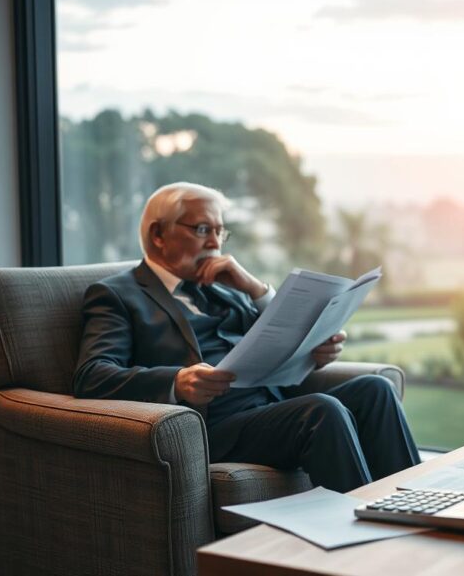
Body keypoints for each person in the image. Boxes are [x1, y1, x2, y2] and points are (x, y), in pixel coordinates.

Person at [73, 182, 420, 492]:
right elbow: (92, 376)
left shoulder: (225, 286)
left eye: (221, 232)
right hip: (213, 425)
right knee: (322, 410)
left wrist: (261, 295)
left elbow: (279, 334)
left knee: (376, 389)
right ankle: (365, 548)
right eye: (202, 229)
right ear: (159, 235)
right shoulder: (118, 294)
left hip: (270, 408)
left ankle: (420, 510)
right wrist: (177, 382)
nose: (214, 244)